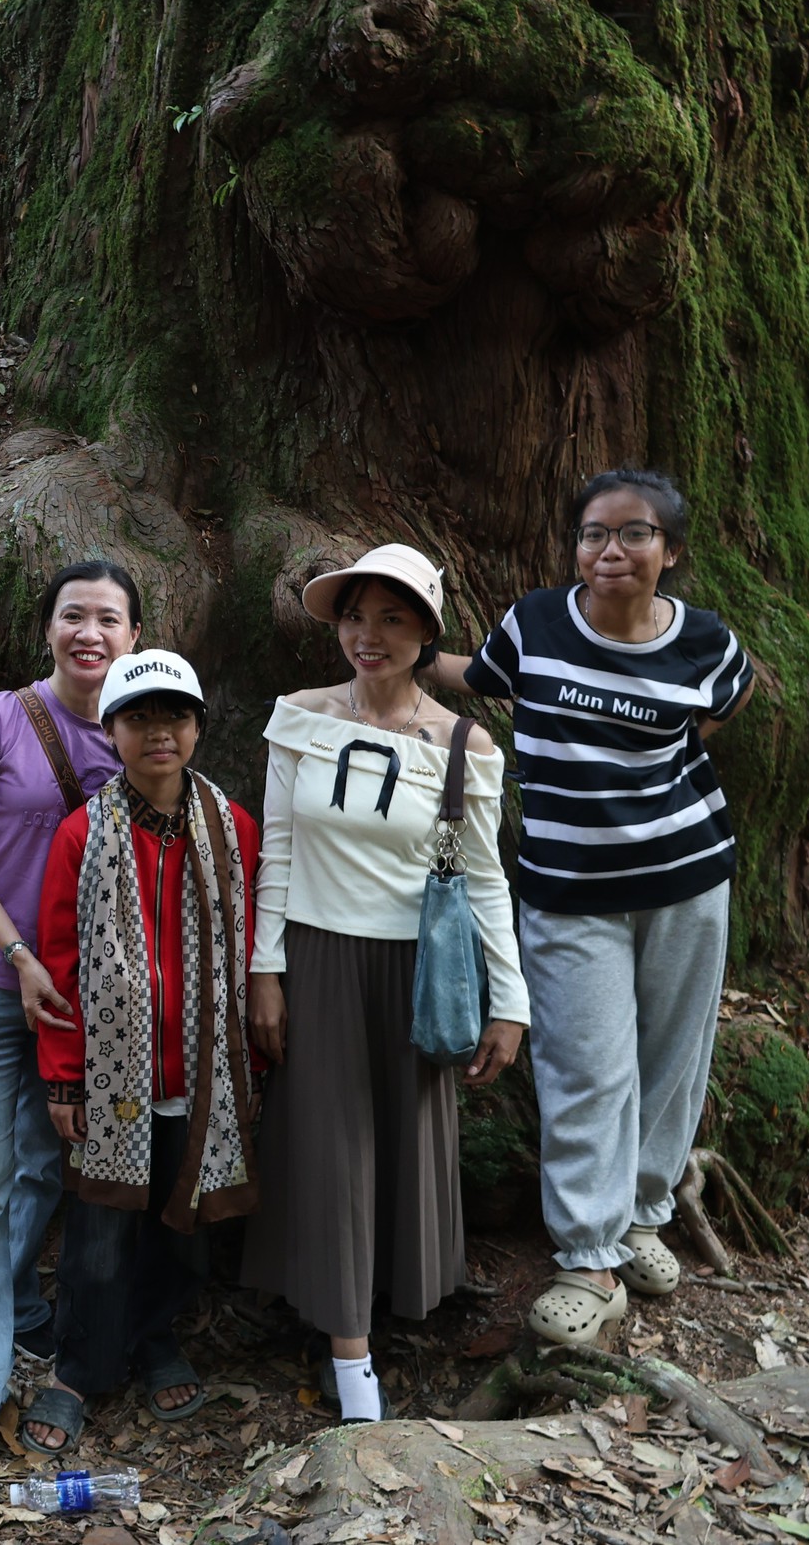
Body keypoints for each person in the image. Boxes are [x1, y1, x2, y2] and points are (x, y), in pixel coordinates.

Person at [431, 472, 755, 1347]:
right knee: (585, 1066)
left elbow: (729, 700)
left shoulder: (706, 641)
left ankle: (644, 1213)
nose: (610, 550)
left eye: (633, 533)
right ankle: (588, 1259)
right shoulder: (535, 622)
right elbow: (479, 675)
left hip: (687, 879)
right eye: (593, 534)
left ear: (669, 550)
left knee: (672, 1057)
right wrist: (396, 646)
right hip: (570, 891)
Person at [239, 547, 528, 1422]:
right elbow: (277, 850)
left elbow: (484, 879)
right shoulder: (299, 717)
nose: (368, 635)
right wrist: (265, 967)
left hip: (414, 973)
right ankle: (350, 1358)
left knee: (396, 1146)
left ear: (426, 632)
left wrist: (510, 1003)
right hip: (318, 961)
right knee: (329, 1151)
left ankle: (386, 1315)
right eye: (354, 616)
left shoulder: (465, 744)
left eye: (392, 618)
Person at [0, 561, 142, 1473]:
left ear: (134, 636)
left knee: (46, 1166)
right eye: (72, 615)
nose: (89, 633)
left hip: (80, 1000)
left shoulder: (138, 731)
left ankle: (13, 1300)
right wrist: (18, 953)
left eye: (108, 618)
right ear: (49, 628)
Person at [21, 650, 262, 1458]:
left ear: (199, 726)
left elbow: (248, 945)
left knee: (182, 1228)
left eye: (176, 716)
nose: (160, 732)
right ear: (111, 732)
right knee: (97, 1235)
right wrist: (64, 1075)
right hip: (112, 1080)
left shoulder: (233, 829)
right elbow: (60, 963)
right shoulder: (83, 834)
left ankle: (157, 1337)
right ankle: (80, 1367)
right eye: (139, 718)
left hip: (201, 1079)